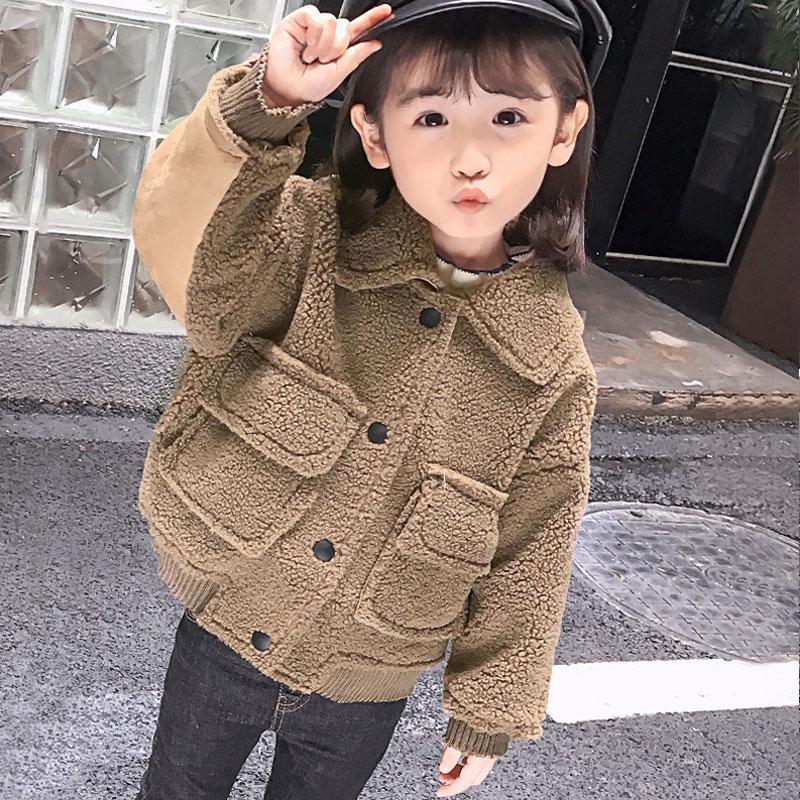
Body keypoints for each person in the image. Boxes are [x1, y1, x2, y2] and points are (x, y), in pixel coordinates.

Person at [131, 1, 606, 798]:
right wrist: (273, 102)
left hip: (368, 680)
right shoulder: (310, 237)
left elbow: (535, 545)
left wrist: (486, 711)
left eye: (508, 117)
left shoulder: (553, 363)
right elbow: (201, 272)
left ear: (564, 131)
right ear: (375, 134)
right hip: (225, 625)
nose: (471, 159)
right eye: (431, 117)